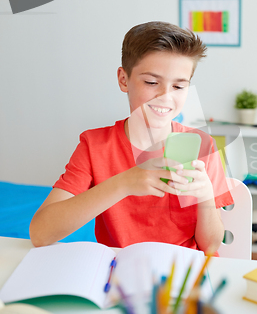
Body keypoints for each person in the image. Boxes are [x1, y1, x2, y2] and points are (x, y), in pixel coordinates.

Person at [29, 21, 234, 255]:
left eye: (178, 86)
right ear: (123, 79)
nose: (165, 97)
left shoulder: (202, 146)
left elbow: (211, 245)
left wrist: (206, 195)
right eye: (151, 82)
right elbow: (40, 233)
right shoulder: (94, 146)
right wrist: (124, 183)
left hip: (183, 273)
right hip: (119, 274)